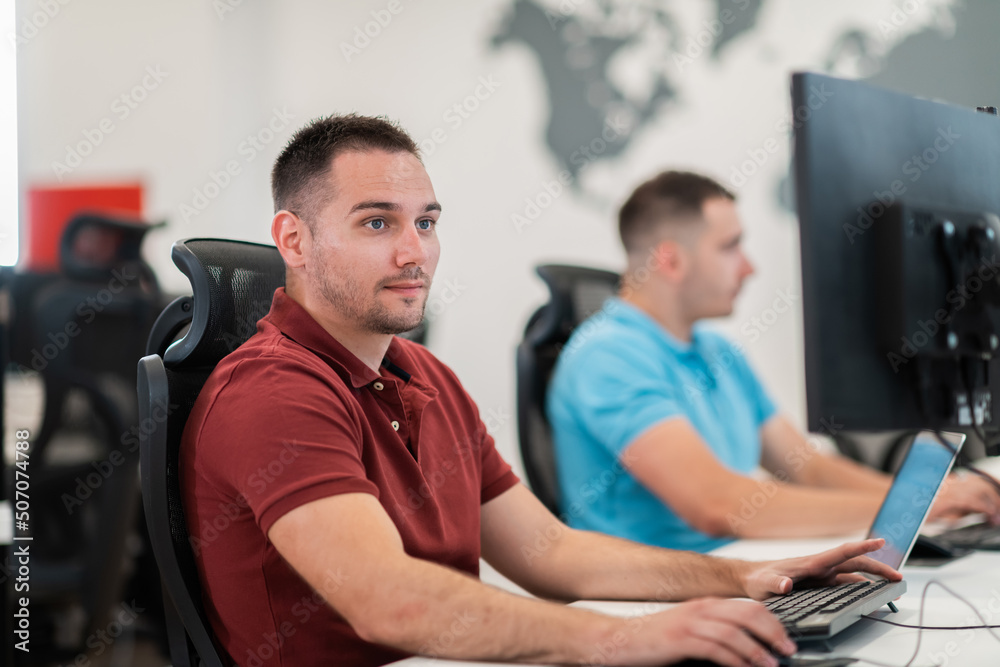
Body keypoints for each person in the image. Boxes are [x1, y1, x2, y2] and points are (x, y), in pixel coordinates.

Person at [182, 117, 901, 667]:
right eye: (377, 222)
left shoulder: (423, 375)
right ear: (294, 240)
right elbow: (387, 598)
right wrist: (621, 637)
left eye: (426, 223)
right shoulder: (273, 388)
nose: (415, 253)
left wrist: (746, 577)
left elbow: (548, 550)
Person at [547, 170, 1000, 554]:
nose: (749, 268)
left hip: (734, 570)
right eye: (730, 247)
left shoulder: (715, 350)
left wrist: (929, 496)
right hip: (656, 604)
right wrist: (913, 505)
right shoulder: (605, 358)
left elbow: (806, 467)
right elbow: (717, 503)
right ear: (671, 261)